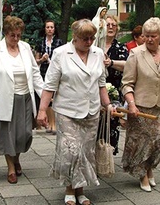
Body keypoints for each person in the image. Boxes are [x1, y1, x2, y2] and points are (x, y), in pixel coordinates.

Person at [36, 19, 111, 205]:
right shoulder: (61, 53)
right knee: (71, 152)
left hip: (91, 111)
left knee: (85, 152)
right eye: (85, 38)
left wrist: (108, 105)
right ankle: (69, 189)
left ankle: (81, 191)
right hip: (67, 111)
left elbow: (101, 84)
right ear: (75, 37)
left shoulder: (98, 53)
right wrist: (42, 111)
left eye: (92, 38)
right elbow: (50, 85)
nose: (89, 42)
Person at [0, 16, 44, 184]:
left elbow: (35, 72)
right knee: (8, 136)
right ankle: (11, 167)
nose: (16, 39)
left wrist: (44, 94)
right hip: (3, 99)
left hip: (25, 98)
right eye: (12, 35)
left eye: (18, 35)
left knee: (23, 135)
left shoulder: (25, 47)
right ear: (6, 33)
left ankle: (16, 158)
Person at [122, 17, 160, 192]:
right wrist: (131, 104)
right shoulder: (136, 54)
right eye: (146, 35)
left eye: (153, 36)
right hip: (140, 106)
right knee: (142, 143)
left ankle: (148, 167)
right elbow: (127, 83)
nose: (149, 39)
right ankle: (143, 175)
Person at [101, 15, 128, 155]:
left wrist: (111, 63)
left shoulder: (121, 47)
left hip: (114, 91)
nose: (110, 27)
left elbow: (127, 65)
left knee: (112, 124)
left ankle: (107, 156)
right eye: (108, 25)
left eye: (114, 25)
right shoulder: (94, 45)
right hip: (95, 91)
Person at [35, 20, 64, 134]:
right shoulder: (40, 42)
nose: (50, 29)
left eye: (52, 27)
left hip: (55, 72)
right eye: (48, 27)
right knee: (45, 97)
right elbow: (35, 61)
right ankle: (48, 123)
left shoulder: (59, 42)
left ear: (54, 29)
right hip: (43, 72)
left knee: (54, 97)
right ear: (45, 29)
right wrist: (42, 59)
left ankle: (54, 123)